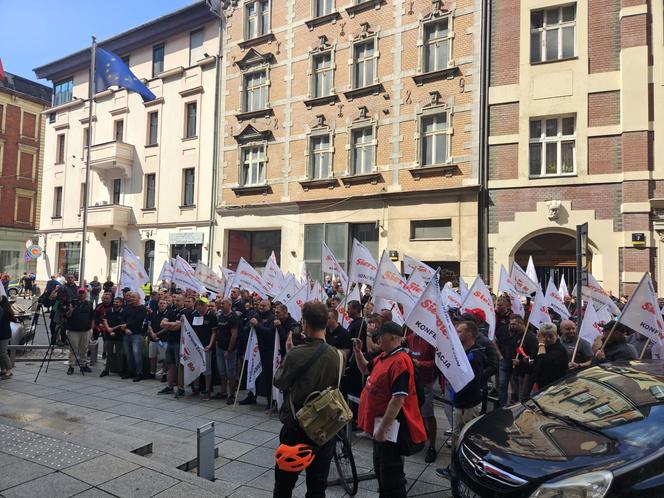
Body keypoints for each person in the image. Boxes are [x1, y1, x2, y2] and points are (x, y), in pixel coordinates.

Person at [273, 301, 344, 498]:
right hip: (324, 429)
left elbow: (279, 381)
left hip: (297, 428)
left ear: (305, 324)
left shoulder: (297, 353)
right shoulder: (338, 355)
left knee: (284, 486)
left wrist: (289, 352)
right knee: (317, 487)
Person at [354, 321, 427, 498]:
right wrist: (357, 352)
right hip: (379, 426)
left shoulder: (400, 361)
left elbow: (398, 398)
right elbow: (365, 368)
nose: (378, 339)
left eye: (381, 336)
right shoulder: (384, 356)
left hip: (391, 430)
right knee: (381, 467)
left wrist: (383, 428)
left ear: (393, 337)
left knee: (390, 474)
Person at [435, 321, 487, 481]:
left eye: (459, 331)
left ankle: (460, 471)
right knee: (458, 437)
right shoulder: (466, 352)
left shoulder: (474, 356)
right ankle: (456, 468)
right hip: (461, 404)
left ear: (469, 334)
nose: (455, 334)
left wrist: (453, 385)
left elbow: (471, 384)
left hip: (467, 406)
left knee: (463, 439)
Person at [405, 327, 437, 463]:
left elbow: (437, 363)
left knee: (428, 414)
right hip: (413, 382)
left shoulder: (431, 339)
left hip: (426, 383)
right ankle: (421, 437)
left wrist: (420, 363)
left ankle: (432, 447)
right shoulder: (410, 337)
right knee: (415, 413)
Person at [240, 299, 275, 408]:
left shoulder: (272, 318)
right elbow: (245, 329)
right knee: (252, 371)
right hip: (254, 350)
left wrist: (257, 326)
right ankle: (251, 395)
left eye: (264, 306)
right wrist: (250, 326)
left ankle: (270, 401)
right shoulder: (254, 315)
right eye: (260, 305)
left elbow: (269, 333)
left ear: (269, 307)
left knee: (268, 377)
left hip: (267, 351)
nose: (261, 307)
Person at [158, 293, 189, 396]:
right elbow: (162, 323)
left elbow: (178, 327)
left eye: (178, 300)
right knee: (170, 364)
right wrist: (171, 324)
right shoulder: (172, 311)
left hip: (179, 343)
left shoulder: (185, 312)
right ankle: (170, 386)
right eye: (175, 300)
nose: (176, 302)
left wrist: (169, 325)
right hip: (170, 341)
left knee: (180, 365)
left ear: (183, 302)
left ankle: (181, 388)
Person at [190, 297, 218, 400]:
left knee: (207, 370)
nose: (200, 306)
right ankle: (196, 388)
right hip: (195, 346)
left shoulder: (211, 316)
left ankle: (207, 390)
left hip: (206, 347)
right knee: (196, 368)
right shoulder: (194, 315)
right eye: (199, 304)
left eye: (202, 304)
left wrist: (210, 345)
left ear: (206, 305)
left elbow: (214, 332)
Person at [65, 288, 95, 375]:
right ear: (77, 294)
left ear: (85, 294)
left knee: (84, 349)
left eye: (83, 293)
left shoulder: (89, 304)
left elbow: (92, 317)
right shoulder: (72, 303)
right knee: (73, 349)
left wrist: (91, 329)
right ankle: (71, 366)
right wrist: (71, 311)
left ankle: (83, 365)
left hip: (86, 330)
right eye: (80, 293)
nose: (81, 295)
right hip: (73, 330)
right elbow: (66, 316)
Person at [531, 323, 569, 392]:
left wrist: (541, 343)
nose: (547, 339)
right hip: (540, 386)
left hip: (555, 388)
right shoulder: (541, 347)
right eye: (544, 336)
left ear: (557, 336)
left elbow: (543, 363)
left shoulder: (560, 350)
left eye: (551, 336)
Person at [215, 297, 239, 404]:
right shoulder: (220, 316)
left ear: (229, 304)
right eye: (221, 303)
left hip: (229, 350)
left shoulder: (233, 317)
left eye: (223, 303)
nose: (221, 305)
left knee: (231, 373)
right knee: (222, 371)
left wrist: (229, 349)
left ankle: (232, 394)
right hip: (219, 347)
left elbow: (234, 334)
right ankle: (223, 391)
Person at [121, 291, 148, 382]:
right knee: (129, 355)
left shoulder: (142, 308)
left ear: (139, 298)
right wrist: (125, 329)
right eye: (131, 297)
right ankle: (130, 372)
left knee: (137, 354)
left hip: (136, 334)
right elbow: (122, 319)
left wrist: (127, 325)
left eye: (134, 297)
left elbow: (138, 320)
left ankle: (139, 373)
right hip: (126, 334)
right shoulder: (126, 308)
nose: (131, 298)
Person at [510, 316, 538, 402]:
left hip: (525, 372)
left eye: (514, 324)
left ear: (520, 323)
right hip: (515, 370)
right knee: (515, 390)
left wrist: (521, 361)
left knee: (522, 393)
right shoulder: (515, 334)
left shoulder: (531, 337)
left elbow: (533, 356)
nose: (512, 326)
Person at [100, 297, 126, 377]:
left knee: (119, 354)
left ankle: (120, 370)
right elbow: (105, 321)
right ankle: (106, 370)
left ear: (121, 303)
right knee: (109, 354)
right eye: (114, 301)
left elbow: (123, 324)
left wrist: (112, 329)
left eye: (117, 302)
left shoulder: (124, 312)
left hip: (120, 336)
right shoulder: (108, 311)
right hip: (109, 336)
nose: (115, 303)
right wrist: (109, 330)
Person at [147, 298, 169, 381]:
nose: (162, 304)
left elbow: (167, 327)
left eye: (164, 303)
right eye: (160, 303)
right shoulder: (153, 313)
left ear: (166, 304)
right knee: (152, 356)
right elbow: (149, 324)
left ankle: (164, 373)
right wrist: (152, 334)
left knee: (164, 358)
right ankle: (152, 373)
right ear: (158, 304)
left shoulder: (168, 313)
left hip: (164, 339)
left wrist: (157, 334)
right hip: (153, 338)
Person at [0, 296, 15, 379]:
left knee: (3, 353)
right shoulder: (6, 310)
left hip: (4, 334)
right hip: (4, 333)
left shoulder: (4, 311)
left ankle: (9, 370)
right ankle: (3, 369)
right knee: (1, 353)